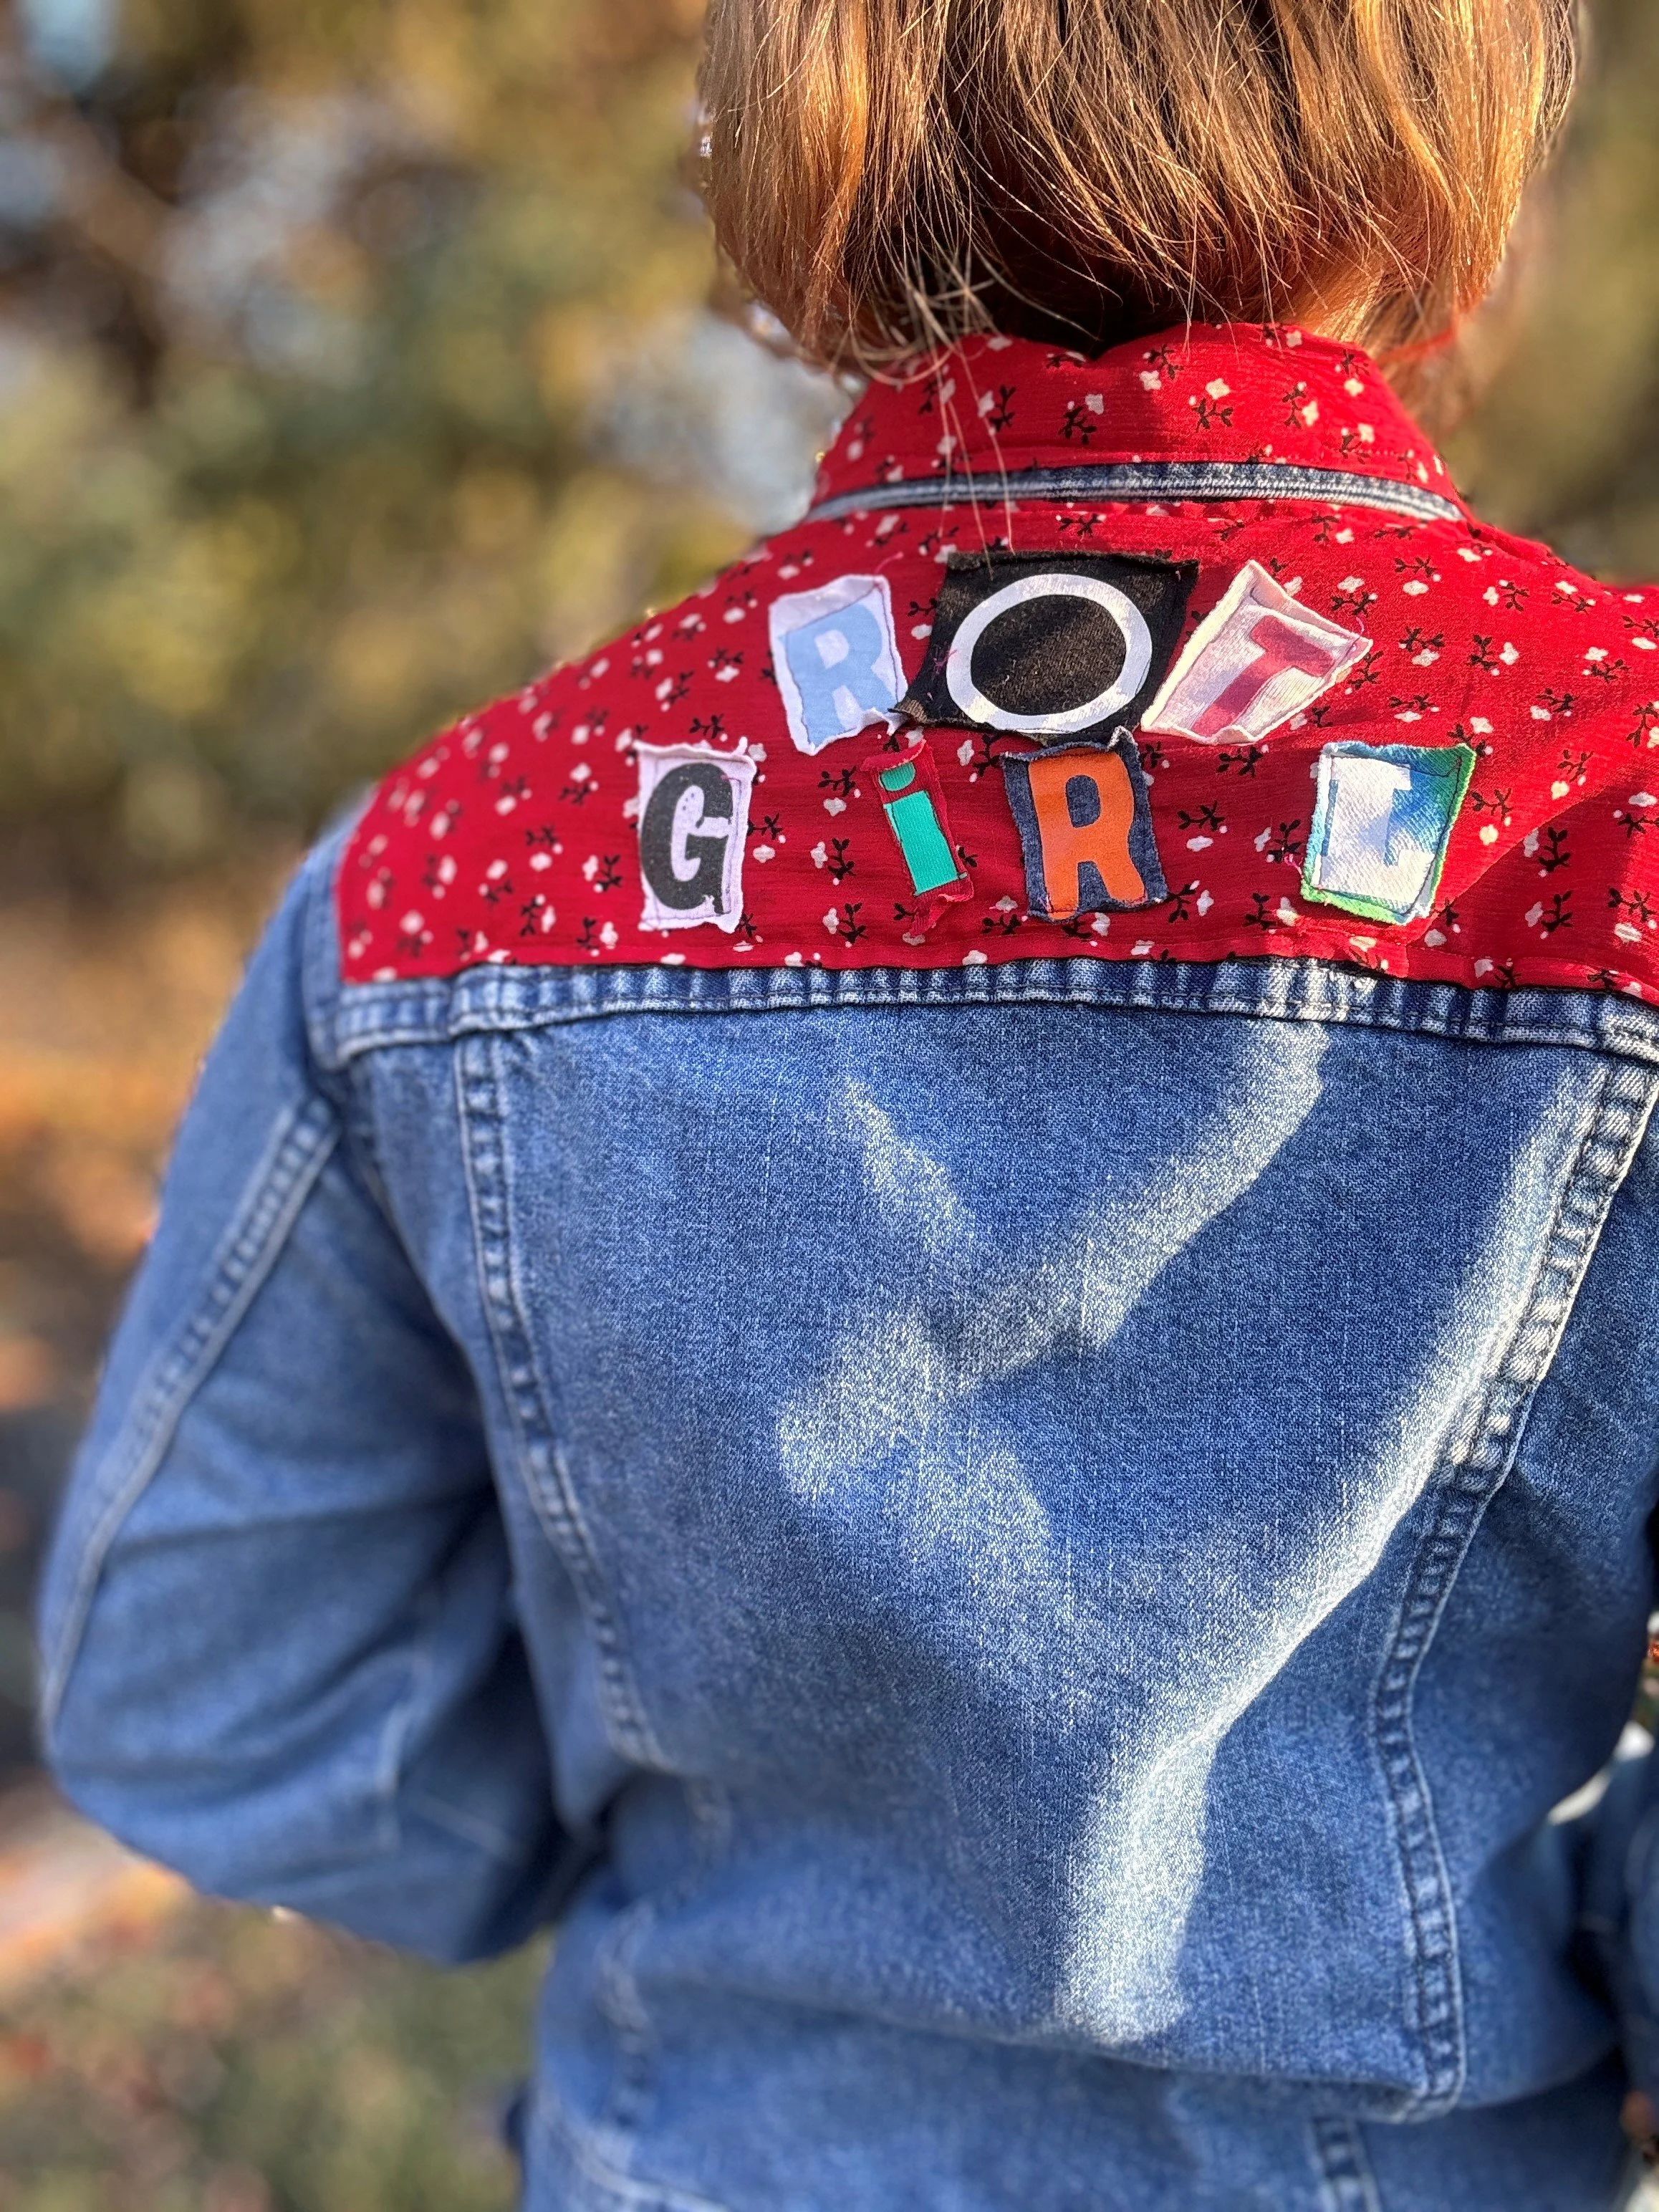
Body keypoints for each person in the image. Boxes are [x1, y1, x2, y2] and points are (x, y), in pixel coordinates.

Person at [36, 0, 1659, 2205]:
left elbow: (205, 1694)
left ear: (802, 118)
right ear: (1440, 114)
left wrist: (663, 1813)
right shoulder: (1603, 800)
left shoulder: (456, 871)